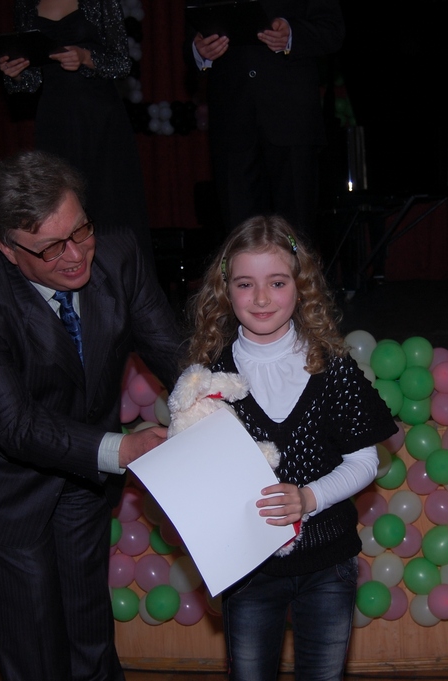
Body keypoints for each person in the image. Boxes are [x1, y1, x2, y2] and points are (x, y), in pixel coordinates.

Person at [0, 150, 181, 681]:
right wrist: (122, 448)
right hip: (4, 480)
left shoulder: (119, 254)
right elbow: (15, 426)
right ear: (7, 248)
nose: (74, 255)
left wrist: (218, 401)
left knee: (88, 627)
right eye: (50, 248)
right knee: (36, 643)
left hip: (83, 472)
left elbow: (171, 352)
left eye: (80, 231)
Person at [183, 214, 396, 680]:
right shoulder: (208, 376)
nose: (261, 298)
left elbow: (366, 461)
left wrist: (308, 498)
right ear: (225, 290)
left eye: (277, 283)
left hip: (328, 564)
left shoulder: (333, 367)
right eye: (245, 284)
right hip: (249, 569)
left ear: (301, 286)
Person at [0, 0, 152, 256]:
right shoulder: (25, 5)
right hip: (54, 118)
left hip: (100, 118)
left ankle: (121, 276)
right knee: (57, 204)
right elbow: (30, 81)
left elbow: (122, 63)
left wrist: (85, 57)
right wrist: (14, 73)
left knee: (111, 204)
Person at [192, 1, 345, 240]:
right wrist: (198, 50)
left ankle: (296, 267)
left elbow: (333, 29)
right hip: (232, 116)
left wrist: (291, 34)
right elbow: (192, 29)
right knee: (240, 236)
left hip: (291, 116)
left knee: (297, 234)